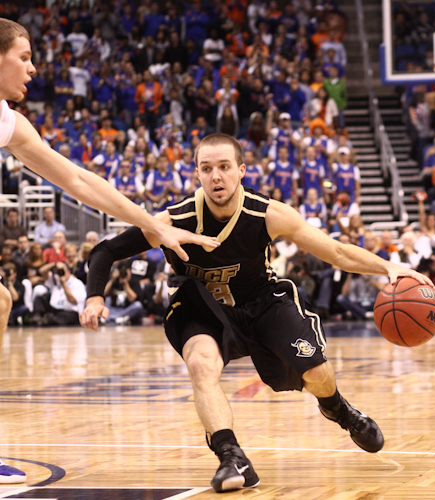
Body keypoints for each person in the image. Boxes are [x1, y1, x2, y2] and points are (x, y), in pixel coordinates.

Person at [82, 134, 433, 493]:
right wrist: (94, 297)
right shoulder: (175, 219)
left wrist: (388, 267)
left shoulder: (268, 214)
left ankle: (337, 408)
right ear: (197, 175)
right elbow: (105, 251)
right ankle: (230, 456)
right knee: (201, 364)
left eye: (224, 167)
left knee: (317, 371)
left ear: (241, 171)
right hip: (203, 306)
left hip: (262, 300)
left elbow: (336, 252)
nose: (216, 176)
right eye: (207, 169)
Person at [0, 17, 217, 483]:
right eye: (24, 57)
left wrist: (153, 225)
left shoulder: (8, 121)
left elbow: (79, 180)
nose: (33, 68)